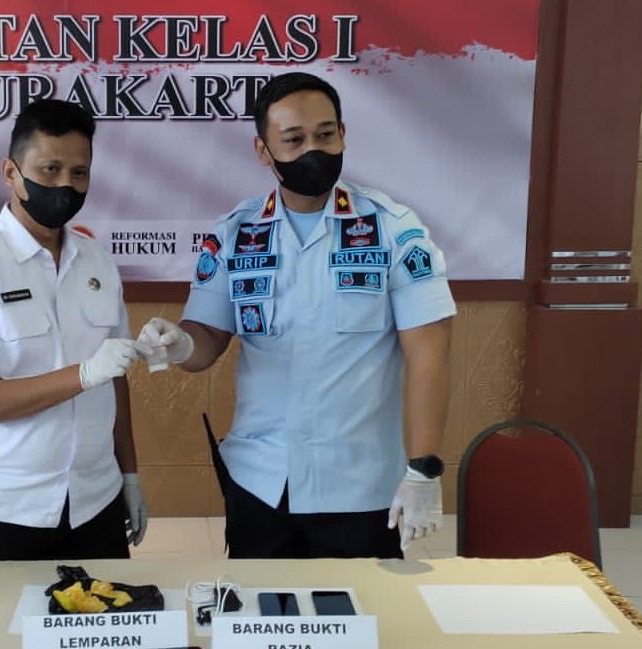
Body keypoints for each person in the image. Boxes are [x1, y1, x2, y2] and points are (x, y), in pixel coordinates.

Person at [137, 72, 455, 559]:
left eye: (325, 135)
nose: (313, 151)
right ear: (263, 151)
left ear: (343, 134)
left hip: (360, 486)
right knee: (260, 608)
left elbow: (429, 357)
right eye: (294, 140)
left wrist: (423, 469)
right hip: (259, 482)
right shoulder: (237, 233)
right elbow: (206, 340)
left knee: (359, 609)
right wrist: (179, 343)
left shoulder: (392, 229)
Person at [0, 99, 148, 561]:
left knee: (106, 611)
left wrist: (128, 474)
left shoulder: (98, 262)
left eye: (79, 173)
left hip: (93, 502)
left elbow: (115, 382)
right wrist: (83, 374)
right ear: (10, 172)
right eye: (50, 169)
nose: (65, 184)